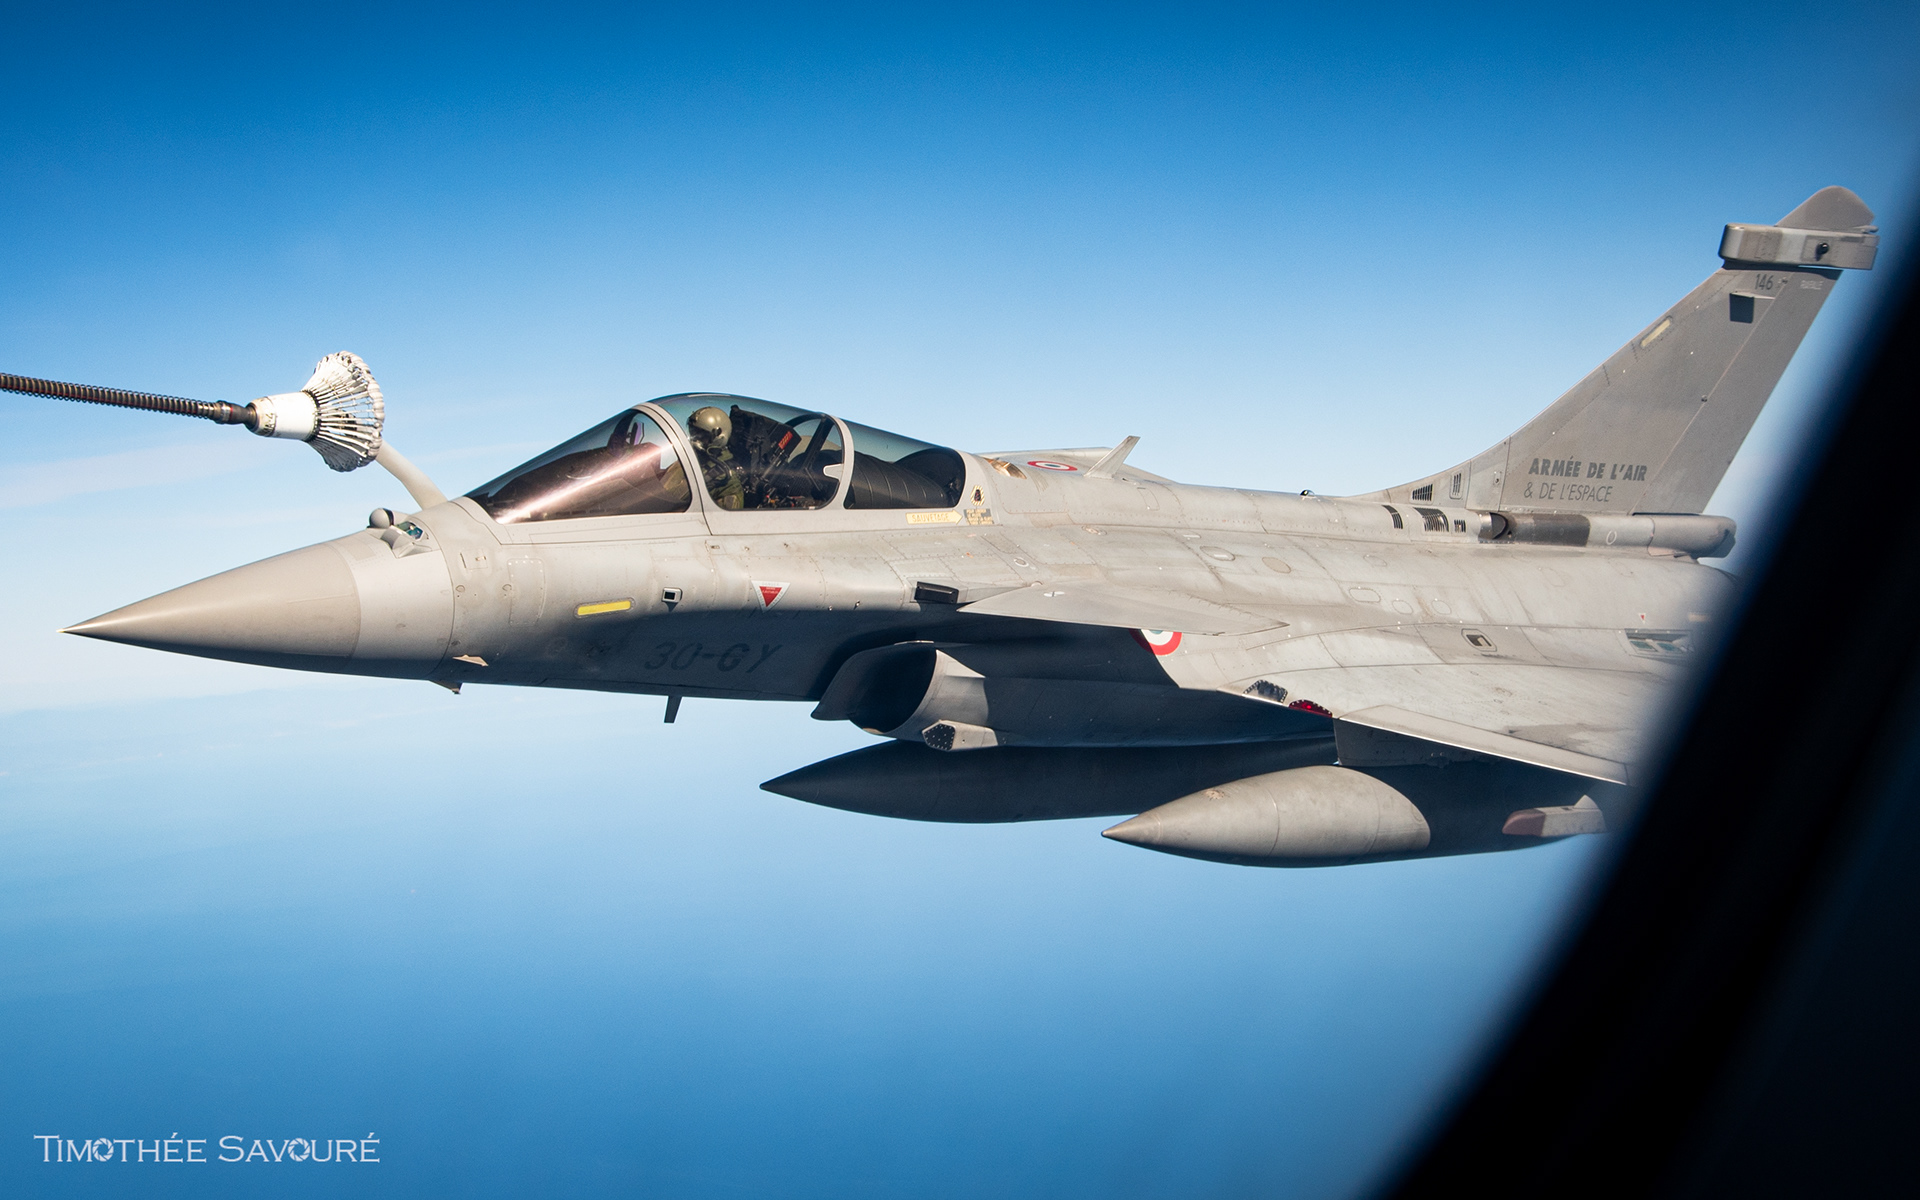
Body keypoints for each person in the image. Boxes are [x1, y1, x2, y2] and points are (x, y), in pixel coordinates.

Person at [686, 405, 746, 510]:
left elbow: (724, 522)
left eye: (700, 435)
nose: (693, 440)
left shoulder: (727, 480)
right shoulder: (693, 461)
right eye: (693, 432)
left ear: (718, 436)